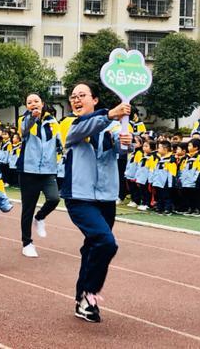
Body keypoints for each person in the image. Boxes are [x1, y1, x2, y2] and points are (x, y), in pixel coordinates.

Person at [61, 82, 132, 323]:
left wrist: (126, 140)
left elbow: (121, 151)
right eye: (73, 96)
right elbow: (84, 129)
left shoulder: (112, 126)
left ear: (95, 99)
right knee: (106, 242)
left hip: (106, 198)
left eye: (82, 95)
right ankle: (91, 291)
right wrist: (112, 113)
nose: (76, 99)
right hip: (79, 198)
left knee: (92, 247)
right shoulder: (70, 124)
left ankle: (82, 300)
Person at [16, 93, 61, 258]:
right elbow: (24, 131)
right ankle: (27, 243)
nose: (33, 104)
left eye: (36, 101)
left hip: (48, 170)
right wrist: (33, 118)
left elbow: (59, 141)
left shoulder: (52, 121)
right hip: (28, 170)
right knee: (28, 208)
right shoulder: (24, 119)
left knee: (54, 198)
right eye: (29, 102)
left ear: (42, 103)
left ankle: (40, 217)